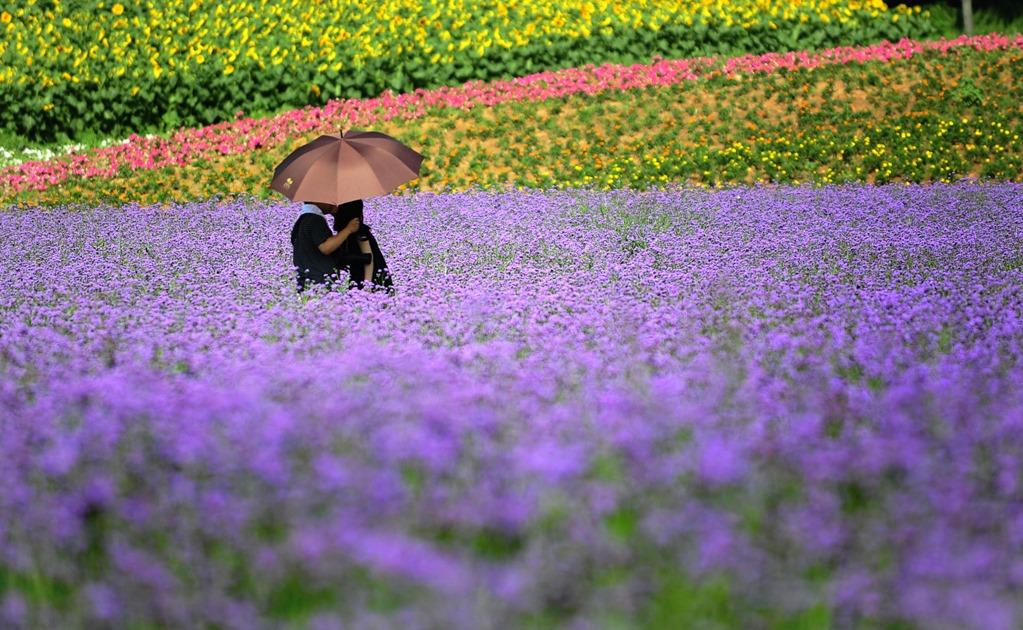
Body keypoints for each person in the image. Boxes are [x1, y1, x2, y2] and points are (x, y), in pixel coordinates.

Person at [290, 201, 360, 292]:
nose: (334, 203)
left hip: (307, 281)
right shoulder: (315, 219)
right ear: (317, 200)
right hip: (320, 282)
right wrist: (348, 229)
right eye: (330, 200)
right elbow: (326, 247)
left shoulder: (302, 219)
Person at [331, 199, 395, 294]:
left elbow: (369, 258)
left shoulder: (359, 231)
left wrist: (367, 284)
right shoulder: (347, 231)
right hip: (358, 274)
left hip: (370, 277)